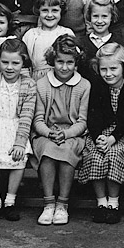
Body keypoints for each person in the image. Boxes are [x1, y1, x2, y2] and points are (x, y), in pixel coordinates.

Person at [78, 44, 124, 225]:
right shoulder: (96, 86)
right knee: (96, 156)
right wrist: (99, 137)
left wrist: (112, 138)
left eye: (113, 68)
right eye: (103, 69)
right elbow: (93, 115)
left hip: (121, 133)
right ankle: (101, 203)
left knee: (114, 155)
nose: (109, 74)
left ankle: (113, 202)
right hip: (100, 133)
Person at [32, 35, 90, 226]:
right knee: (48, 152)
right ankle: (48, 203)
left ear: (76, 63)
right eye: (59, 62)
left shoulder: (84, 86)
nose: (64, 67)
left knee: (66, 152)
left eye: (69, 62)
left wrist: (65, 134)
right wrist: (49, 133)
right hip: (46, 133)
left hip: (72, 133)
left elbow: (82, 122)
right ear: (52, 61)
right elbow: (38, 120)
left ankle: (62, 204)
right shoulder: (41, 84)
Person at [0, 39, 36, 222]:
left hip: (18, 128)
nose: (9, 67)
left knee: (19, 156)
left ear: (23, 63)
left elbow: (27, 116)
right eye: (5, 62)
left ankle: (10, 201)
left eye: (15, 63)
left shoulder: (29, 84)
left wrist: (20, 142)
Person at [22, 0, 75, 80]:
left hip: (62, 79)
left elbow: (73, 62)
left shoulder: (66, 33)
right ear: (39, 11)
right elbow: (24, 65)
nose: (49, 15)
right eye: (45, 10)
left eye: (54, 10)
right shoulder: (31, 35)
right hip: (36, 81)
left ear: (61, 11)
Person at [76, 0, 120, 80]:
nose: (99, 21)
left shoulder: (117, 42)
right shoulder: (81, 42)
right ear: (89, 16)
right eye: (95, 16)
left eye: (104, 16)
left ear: (112, 17)